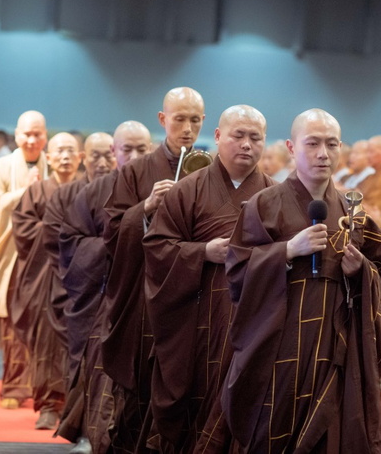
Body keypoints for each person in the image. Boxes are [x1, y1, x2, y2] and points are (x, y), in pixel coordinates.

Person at [223, 108, 381, 453]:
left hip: (337, 345)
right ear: (291, 146)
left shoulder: (354, 213)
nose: (323, 153)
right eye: (312, 143)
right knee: (273, 429)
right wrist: (286, 250)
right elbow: (237, 271)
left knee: (332, 433)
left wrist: (360, 272)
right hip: (280, 344)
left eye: (331, 144)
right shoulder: (264, 205)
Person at [143, 106, 274, 452]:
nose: (246, 144)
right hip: (197, 320)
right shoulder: (189, 189)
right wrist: (202, 252)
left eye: (255, 138)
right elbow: (157, 246)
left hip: (255, 320)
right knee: (197, 394)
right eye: (238, 135)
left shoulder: (276, 195)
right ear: (218, 137)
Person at [102, 87, 205, 451]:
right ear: (163, 120)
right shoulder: (137, 171)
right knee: (141, 389)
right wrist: (145, 207)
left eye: (195, 120)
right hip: (144, 293)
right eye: (179, 119)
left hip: (191, 295)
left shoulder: (208, 171)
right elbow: (112, 231)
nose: (187, 128)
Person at [57, 121, 152, 454]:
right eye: (128, 149)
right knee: (101, 370)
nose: (136, 156)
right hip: (105, 298)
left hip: (150, 299)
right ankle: (95, 436)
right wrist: (117, 243)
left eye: (142, 149)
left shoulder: (165, 189)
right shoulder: (95, 192)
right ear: (115, 152)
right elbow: (70, 241)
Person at [11, 132, 83, 429]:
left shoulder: (88, 189)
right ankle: (47, 405)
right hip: (44, 277)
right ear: (48, 158)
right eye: (59, 151)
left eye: (70, 151)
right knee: (46, 341)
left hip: (80, 278)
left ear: (80, 157)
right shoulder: (36, 190)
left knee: (76, 340)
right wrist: (59, 229)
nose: (65, 156)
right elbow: (23, 230)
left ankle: (73, 405)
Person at [0, 110, 48, 409]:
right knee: (13, 327)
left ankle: (43, 387)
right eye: (26, 134)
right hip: (12, 258)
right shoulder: (1, 167)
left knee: (44, 325)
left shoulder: (53, 166)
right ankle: (14, 387)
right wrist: (25, 191)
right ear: (16, 135)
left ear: (45, 136)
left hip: (46, 260)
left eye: (37, 134)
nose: (32, 140)